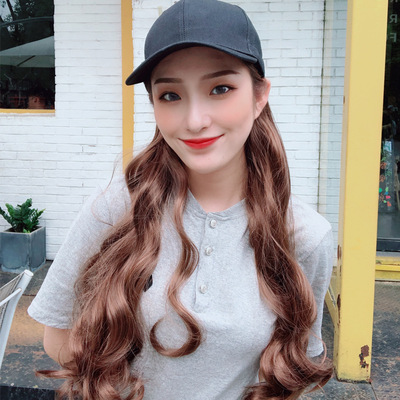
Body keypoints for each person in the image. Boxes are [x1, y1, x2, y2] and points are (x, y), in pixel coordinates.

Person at [28, 0, 334, 399]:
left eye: (220, 88)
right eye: (170, 95)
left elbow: (293, 368)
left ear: (260, 95)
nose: (194, 120)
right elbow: (59, 337)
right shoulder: (118, 208)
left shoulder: (305, 236)